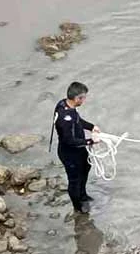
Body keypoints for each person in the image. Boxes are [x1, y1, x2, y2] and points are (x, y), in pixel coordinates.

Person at [53, 82, 101, 213]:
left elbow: (78, 121)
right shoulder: (65, 118)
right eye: (83, 97)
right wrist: (91, 141)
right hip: (69, 153)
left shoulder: (64, 104)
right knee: (74, 180)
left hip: (79, 150)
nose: (85, 100)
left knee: (86, 168)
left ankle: (83, 195)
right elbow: (69, 140)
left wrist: (91, 127)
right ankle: (77, 207)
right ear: (77, 99)